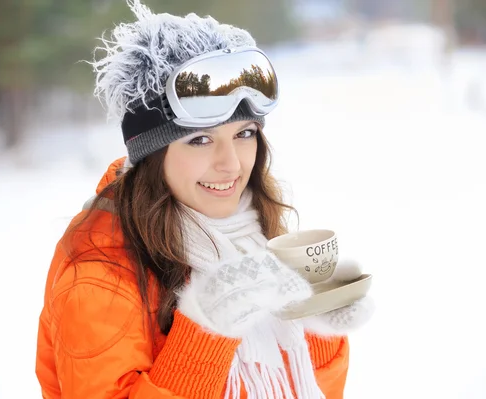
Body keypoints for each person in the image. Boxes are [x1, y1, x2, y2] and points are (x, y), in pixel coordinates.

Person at [35, 1, 374, 398]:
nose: (231, 164)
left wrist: (318, 330)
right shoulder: (98, 277)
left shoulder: (250, 233)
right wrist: (205, 331)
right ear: (151, 154)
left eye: (244, 134)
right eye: (200, 140)